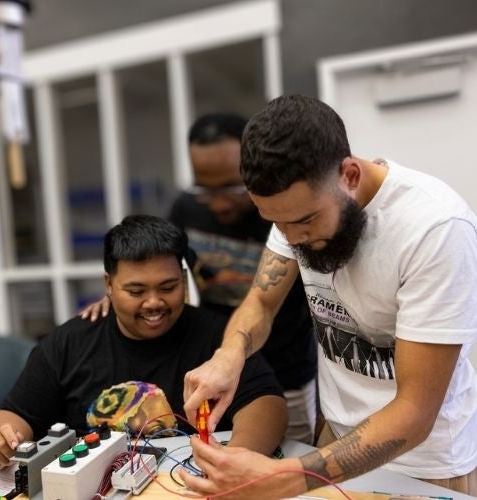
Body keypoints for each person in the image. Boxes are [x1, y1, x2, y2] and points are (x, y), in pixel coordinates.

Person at [179, 95, 477, 498]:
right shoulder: (293, 211)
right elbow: (262, 302)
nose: (293, 239)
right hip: (332, 440)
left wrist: (280, 477)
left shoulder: (436, 229)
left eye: (304, 221)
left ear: (350, 175)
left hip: (422, 464)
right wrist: (228, 355)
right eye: (276, 223)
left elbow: (414, 412)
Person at [0, 215, 287, 471]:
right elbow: (17, 414)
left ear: (182, 278)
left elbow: (267, 404)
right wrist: (1, 440)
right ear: (108, 285)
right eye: (136, 292)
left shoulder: (217, 336)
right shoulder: (68, 344)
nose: (154, 303)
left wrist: (235, 459)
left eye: (168, 287)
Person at [82, 113, 318, 444]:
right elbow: (153, 262)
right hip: (216, 369)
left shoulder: (280, 214)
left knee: (288, 463)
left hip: (286, 372)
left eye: (232, 187)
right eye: (205, 189)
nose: (219, 203)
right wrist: (120, 295)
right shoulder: (187, 208)